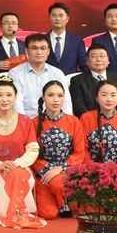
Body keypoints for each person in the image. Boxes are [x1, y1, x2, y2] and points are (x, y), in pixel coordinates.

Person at [0, 78, 45, 229]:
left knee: (18, 174)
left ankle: (18, 211)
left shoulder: (25, 121)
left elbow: (33, 149)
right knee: (0, 209)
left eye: (9, 95)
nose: (4, 99)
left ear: (15, 97)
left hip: (20, 166)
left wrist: (16, 164)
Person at [32, 80, 86, 220]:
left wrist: (60, 168)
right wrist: (49, 170)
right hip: (44, 175)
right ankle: (61, 198)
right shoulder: (33, 123)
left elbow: (79, 152)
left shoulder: (74, 122)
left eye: (60, 95)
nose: (56, 100)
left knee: (59, 183)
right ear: (43, 98)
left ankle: (63, 200)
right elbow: (32, 155)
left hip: (65, 173)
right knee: (48, 214)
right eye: (51, 95)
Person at [78, 81, 117, 174]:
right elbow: (82, 148)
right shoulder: (86, 118)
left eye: (113, 95)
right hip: (92, 172)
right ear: (96, 98)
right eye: (104, 95)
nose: (109, 99)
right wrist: (91, 170)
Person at [8, 33, 70, 118]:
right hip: (27, 120)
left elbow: (66, 101)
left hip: (52, 121)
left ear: (48, 51)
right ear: (27, 51)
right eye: (34, 48)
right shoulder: (15, 73)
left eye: (43, 48)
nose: (39, 52)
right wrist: (24, 123)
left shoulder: (57, 73)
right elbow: (17, 102)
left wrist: (66, 122)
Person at [69, 43, 117, 118]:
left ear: (108, 60)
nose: (98, 59)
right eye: (94, 56)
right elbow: (78, 106)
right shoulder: (77, 80)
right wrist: (93, 121)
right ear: (87, 61)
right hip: (91, 122)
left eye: (102, 56)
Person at [46, 2, 89, 74]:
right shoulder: (42, 40)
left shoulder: (77, 41)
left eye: (61, 15)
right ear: (49, 18)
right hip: (47, 79)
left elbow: (84, 65)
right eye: (54, 15)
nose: (57, 18)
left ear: (67, 19)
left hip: (70, 80)